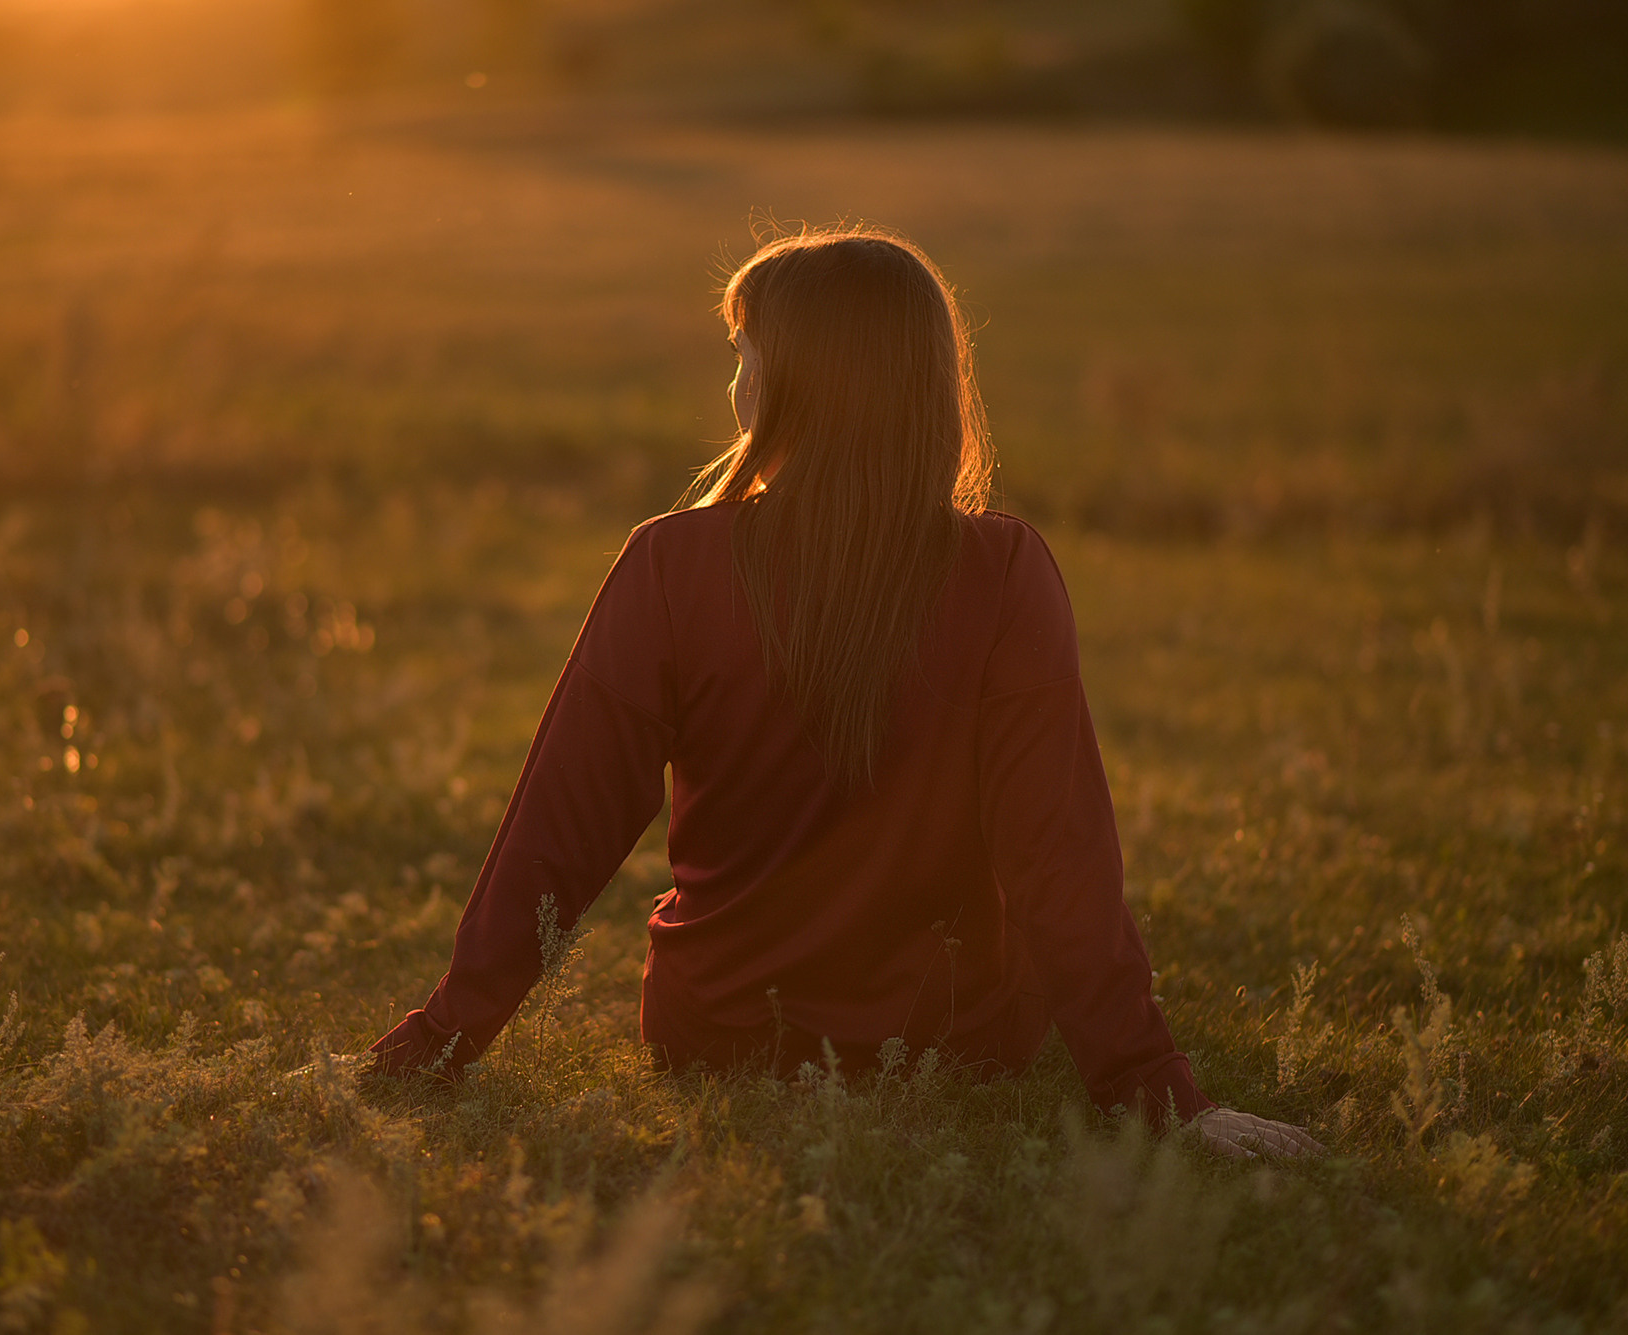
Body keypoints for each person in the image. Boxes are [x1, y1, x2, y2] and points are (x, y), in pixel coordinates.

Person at [368, 225, 1321, 1160]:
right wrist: (1155, 1091)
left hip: (722, 1034)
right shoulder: (1003, 569)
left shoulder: (672, 561)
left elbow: (560, 829)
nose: (734, 383)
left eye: (745, 354)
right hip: (956, 1036)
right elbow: (1057, 852)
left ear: (794, 382)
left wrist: (436, 1046)